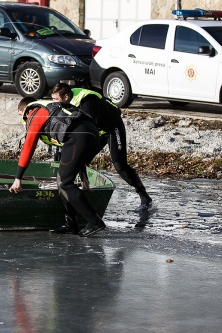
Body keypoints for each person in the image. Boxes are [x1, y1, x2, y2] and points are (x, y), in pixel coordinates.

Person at [10, 97, 106, 237]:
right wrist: (83, 175)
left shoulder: (35, 113)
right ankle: (70, 223)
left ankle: (95, 221)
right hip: (91, 132)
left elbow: (28, 146)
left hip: (78, 135)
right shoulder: (51, 107)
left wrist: (18, 178)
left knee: (65, 183)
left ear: (23, 110)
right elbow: (78, 149)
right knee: (62, 179)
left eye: (21, 116)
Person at [51, 83, 153, 211]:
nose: (54, 102)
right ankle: (82, 189)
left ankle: (144, 196)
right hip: (96, 129)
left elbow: (87, 133)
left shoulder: (87, 100)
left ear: (66, 96)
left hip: (111, 127)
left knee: (120, 165)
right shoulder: (67, 100)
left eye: (56, 100)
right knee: (79, 159)